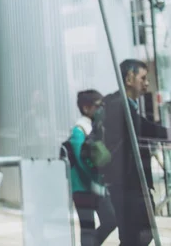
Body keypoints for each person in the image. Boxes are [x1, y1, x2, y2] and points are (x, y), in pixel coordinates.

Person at [101, 59, 169, 245]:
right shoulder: (119, 105)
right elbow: (143, 128)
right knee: (137, 233)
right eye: (143, 78)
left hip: (127, 183)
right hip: (127, 183)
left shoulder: (120, 104)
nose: (146, 83)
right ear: (129, 79)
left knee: (137, 233)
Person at [68, 90, 116, 246]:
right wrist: (94, 182)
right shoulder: (79, 130)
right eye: (98, 105)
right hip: (83, 189)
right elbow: (80, 162)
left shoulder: (95, 128)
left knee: (111, 219)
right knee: (87, 227)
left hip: (96, 186)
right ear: (86, 108)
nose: (101, 109)